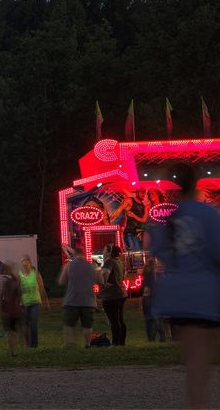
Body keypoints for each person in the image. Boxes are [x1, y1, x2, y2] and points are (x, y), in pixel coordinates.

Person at [145, 162, 220, 410]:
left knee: (196, 365)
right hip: (205, 296)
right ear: (197, 184)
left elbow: (158, 250)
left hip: (179, 297)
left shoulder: (170, 216)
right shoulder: (208, 213)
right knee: (200, 366)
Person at [58, 247, 100, 349]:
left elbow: (61, 281)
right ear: (84, 254)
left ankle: (69, 344)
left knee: (69, 324)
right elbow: (99, 280)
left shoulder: (69, 265)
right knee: (87, 325)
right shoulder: (91, 266)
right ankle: (87, 345)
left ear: (74, 255)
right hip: (88, 300)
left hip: (72, 299)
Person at [98, 243, 128, 346]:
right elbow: (125, 273)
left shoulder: (109, 262)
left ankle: (115, 344)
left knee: (114, 320)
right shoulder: (119, 262)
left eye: (104, 251)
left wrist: (105, 282)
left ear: (109, 252)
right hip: (121, 293)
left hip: (111, 296)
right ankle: (121, 343)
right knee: (120, 320)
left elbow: (105, 272)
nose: (103, 253)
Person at [18, 254, 49, 349]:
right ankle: (27, 342)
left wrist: (46, 301)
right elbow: (18, 289)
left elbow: (41, 287)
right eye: (23, 262)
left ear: (30, 263)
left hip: (35, 301)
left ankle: (34, 344)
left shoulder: (35, 274)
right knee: (25, 323)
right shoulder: (19, 275)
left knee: (33, 322)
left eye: (27, 262)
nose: (25, 264)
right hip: (24, 302)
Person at [0, 262, 22, 357]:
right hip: (11, 308)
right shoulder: (11, 281)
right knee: (12, 331)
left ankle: (13, 350)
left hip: (10, 308)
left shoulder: (9, 280)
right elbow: (17, 295)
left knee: (12, 331)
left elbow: (2, 294)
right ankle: (13, 351)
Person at [141, 256, 166, 343]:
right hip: (157, 301)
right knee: (157, 321)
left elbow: (144, 290)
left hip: (148, 302)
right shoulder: (159, 277)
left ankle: (151, 339)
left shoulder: (147, 278)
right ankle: (162, 337)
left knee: (149, 322)